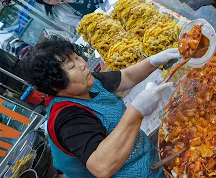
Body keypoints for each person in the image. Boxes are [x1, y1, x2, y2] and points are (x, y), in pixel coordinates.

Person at [22, 36, 180, 177]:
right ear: (56, 85)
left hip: (153, 160)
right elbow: (101, 167)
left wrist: (154, 61)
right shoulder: (68, 119)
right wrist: (137, 111)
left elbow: (126, 77)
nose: (82, 65)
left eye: (77, 57)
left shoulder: (88, 83)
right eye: (71, 66)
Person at [33, 0, 107, 26]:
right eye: (49, 0)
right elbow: (82, 25)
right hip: (101, 22)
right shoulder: (62, 13)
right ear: (47, 3)